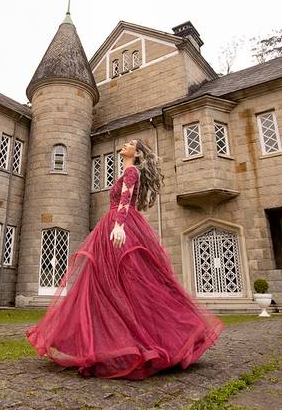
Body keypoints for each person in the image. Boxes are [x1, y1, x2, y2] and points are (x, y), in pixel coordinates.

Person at [26, 139, 223, 380]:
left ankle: (155, 339)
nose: (125, 145)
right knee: (105, 283)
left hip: (120, 226)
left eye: (130, 144)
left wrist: (119, 226)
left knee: (129, 281)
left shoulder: (131, 171)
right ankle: (103, 344)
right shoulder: (127, 171)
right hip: (111, 226)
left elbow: (125, 200)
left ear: (137, 153)